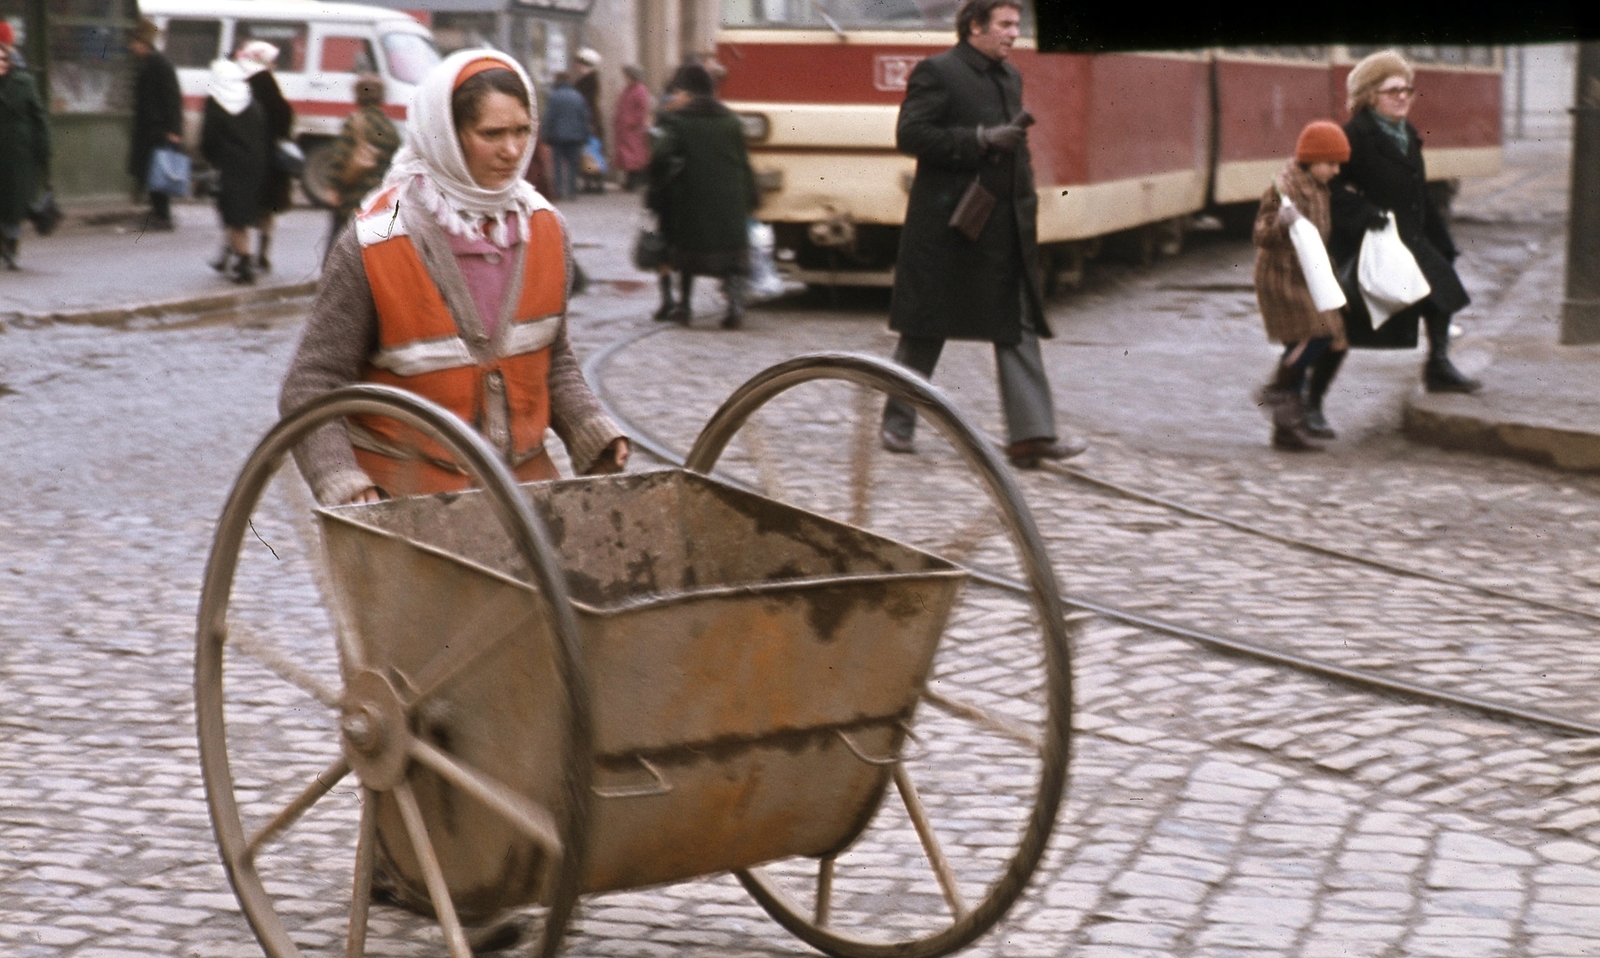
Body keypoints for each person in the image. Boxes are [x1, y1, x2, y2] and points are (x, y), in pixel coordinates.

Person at [280, 49, 629, 509]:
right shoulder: (381, 233)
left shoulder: (544, 226)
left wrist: (592, 431)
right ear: (447, 134)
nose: (512, 150)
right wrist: (342, 479)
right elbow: (312, 383)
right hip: (408, 506)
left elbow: (552, 359)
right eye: (492, 134)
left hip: (525, 501)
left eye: (522, 131)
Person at [879, 0, 1084, 468]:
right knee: (926, 324)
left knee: (1015, 321)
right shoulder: (938, 71)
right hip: (947, 223)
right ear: (975, 27)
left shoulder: (1010, 77)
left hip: (1002, 223)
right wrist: (978, 140)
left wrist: (1025, 203)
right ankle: (897, 423)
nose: (1014, 34)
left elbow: (1017, 151)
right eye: (1005, 25)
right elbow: (911, 135)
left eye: (1017, 25)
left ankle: (1031, 437)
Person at [1330, 49, 1480, 394]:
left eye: (1406, 90)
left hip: (1409, 236)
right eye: (1392, 91)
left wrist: (1440, 237)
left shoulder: (1403, 133)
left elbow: (1416, 190)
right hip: (1374, 241)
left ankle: (1438, 366)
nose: (1402, 97)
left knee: (1442, 290)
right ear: (1370, 96)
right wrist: (1365, 213)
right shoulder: (1354, 135)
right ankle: (1302, 394)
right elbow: (1330, 187)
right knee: (1342, 328)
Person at [1252, 120, 1351, 451]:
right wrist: (1281, 223)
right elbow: (1261, 234)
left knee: (1313, 339)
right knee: (1317, 335)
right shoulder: (1286, 189)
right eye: (1331, 164)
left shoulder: (1319, 186)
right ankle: (1278, 391)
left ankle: (1286, 428)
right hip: (1282, 278)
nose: (1336, 171)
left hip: (1309, 276)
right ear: (1311, 160)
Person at [647, 63, 757, 330]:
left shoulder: (680, 121)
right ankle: (735, 306)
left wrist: (659, 177)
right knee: (732, 257)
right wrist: (751, 197)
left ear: (689, 91)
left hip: (692, 199)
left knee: (688, 255)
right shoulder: (731, 120)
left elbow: (660, 154)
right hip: (730, 200)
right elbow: (743, 162)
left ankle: (684, 307)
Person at [199, 58, 268, 284]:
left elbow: (208, 138)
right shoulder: (252, 102)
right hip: (254, 166)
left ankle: (244, 263)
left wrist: (210, 159)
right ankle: (239, 259)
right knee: (241, 215)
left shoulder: (216, 103)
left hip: (229, 166)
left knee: (232, 216)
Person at [325, 72, 401, 253]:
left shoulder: (355, 122)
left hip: (353, 193)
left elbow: (340, 156)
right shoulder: (389, 127)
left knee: (340, 242)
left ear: (358, 95)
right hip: (378, 196)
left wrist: (333, 187)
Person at [235, 41, 294, 271]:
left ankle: (235, 254)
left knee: (239, 211)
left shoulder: (243, 92)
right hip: (272, 167)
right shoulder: (278, 98)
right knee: (266, 211)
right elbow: (286, 131)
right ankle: (263, 255)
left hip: (247, 161)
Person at [127, 17, 184, 232]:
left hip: (158, 130)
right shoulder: (149, 64)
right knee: (150, 172)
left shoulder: (160, 64)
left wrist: (174, 130)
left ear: (144, 43)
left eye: (135, 42)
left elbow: (172, 99)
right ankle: (158, 211)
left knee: (158, 172)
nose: (132, 47)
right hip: (149, 129)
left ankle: (163, 214)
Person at [0, 39, 49, 270]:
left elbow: (39, 117)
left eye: (2, 59)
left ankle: (12, 248)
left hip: (19, 153)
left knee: (14, 205)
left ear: (9, 61)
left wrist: (44, 149)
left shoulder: (24, 83)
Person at [542, 71, 590, 201]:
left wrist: (546, 134)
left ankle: (558, 190)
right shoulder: (577, 96)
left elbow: (549, 117)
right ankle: (572, 191)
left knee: (557, 165)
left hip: (557, 137)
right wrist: (585, 135)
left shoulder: (554, 97)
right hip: (575, 137)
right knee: (573, 165)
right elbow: (584, 117)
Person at [612, 65, 652, 192]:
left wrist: (632, 121)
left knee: (634, 157)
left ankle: (634, 182)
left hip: (633, 129)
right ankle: (629, 181)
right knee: (627, 157)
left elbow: (641, 109)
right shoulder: (628, 89)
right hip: (625, 128)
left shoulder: (640, 90)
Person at [572, 48, 606, 193]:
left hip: (589, 121)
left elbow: (588, 103)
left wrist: (590, 122)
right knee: (592, 152)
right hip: (592, 120)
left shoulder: (587, 81)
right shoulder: (592, 80)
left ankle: (594, 184)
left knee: (590, 152)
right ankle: (594, 183)